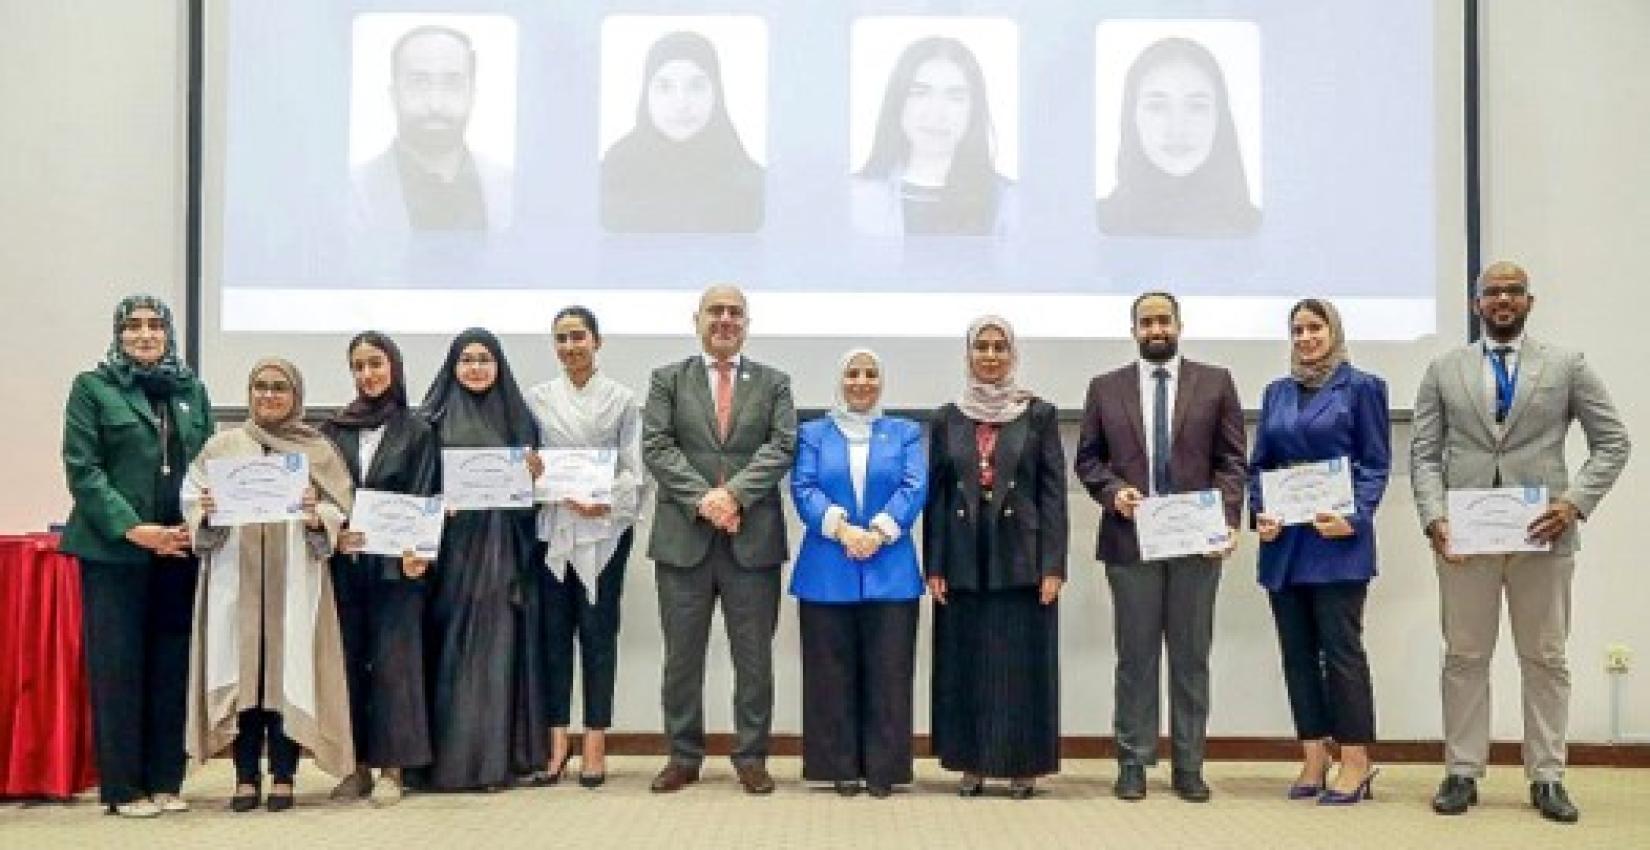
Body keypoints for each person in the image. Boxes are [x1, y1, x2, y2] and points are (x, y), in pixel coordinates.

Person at [1412, 261, 1631, 824]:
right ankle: (1461, 771)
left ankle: (1549, 776)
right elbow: (1423, 454)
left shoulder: (1565, 365)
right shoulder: (1444, 369)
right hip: (1466, 538)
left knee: (1546, 658)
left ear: (1529, 303)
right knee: (1464, 657)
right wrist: (1434, 518)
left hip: (1544, 538)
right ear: (1475, 304)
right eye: (1492, 293)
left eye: (1513, 292)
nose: (1502, 300)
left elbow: (1613, 441)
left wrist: (1574, 503)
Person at [1074, 291, 1246, 803]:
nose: (1156, 329)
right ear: (1133, 330)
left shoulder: (1215, 383)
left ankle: (1189, 764)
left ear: (1179, 325)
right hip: (1131, 543)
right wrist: (1112, 493)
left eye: (1163, 320)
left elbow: (1233, 461)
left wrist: (1228, 520)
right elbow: (1088, 461)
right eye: (1145, 322)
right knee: (1136, 657)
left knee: (1192, 657)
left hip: (1197, 543)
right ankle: (1133, 761)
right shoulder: (1105, 389)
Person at [60, 295, 214, 818]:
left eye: (155, 326)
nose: (145, 335)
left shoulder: (191, 389)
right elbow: (84, 469)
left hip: (178, 548)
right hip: (113, 553)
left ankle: (166, 779)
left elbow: (207, 462)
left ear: (169, 334)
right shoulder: (92, 388)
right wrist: (133, 528)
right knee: (119, 668)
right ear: (118, 334)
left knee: (171, 665)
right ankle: (124, 788)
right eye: (133, 326)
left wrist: (197, 519)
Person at [642, 284, 797, 795]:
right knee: (681, 659)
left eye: (735, 312)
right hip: (683, 541)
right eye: (716, 311)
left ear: (746, 323)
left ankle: (751, 757)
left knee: (753, 660)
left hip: (752, 543)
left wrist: (733, 496)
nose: (725, 320)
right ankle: (683, 756)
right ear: (697, 319)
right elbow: (657, 446)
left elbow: (781, 447)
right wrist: (704, 500)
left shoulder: (775, 382)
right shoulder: (667, 379)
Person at [182, 358, 355, 813]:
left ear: (295, 395)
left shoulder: (315, 449)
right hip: (235, 579)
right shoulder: (222, 447)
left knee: (285, 674)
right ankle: (243, 776)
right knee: (243, 677)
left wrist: (319, 512)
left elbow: (343, 506)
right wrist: (206, 509)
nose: (269, 395)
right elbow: (191, 500)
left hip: (294, 578)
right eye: (260, 386)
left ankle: (283, 774)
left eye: (279, 387)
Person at [1249, 300, 1390, 805]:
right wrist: (1259, 513)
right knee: (1298, 656)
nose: (1306, 337)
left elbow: (1375, 465)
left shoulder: (1364, 388)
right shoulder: (1275, 393)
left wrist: (1353, 518)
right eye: (1298, 329)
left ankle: (1356, 760)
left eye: (1315, 327)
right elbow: (1259, 466)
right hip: (1284, 546)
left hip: (1337, 545)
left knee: (1342, 654)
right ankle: (1313, 755)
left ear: (1334, 332)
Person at [925, 317, 1066, 799]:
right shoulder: (948, 417)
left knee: (1020, 664)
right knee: (967, 662)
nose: (989, 355)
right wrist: (935, 564)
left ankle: (1022, 765)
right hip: (964, 558)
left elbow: (1053, 496)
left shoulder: (1039, 414)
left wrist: (1053, 566)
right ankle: (973, 763)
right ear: (968, 356)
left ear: (1013, 354)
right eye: (981, 347)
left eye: (999, 347)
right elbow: (938, 497)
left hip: (1022, 559)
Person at [789, 348, 927, 799]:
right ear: (840, 380)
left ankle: (884, 768)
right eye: (853, 373)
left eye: (871, 374)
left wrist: (879, 532)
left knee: (890, 672)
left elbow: (914, 486)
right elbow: (803, 487)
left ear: (881, 381)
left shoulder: (904, 432)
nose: (862, 382)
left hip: (891, 568)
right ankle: (838, 766)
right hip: (827, 569)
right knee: (830, 673)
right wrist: (842, 529)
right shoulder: (812, 433)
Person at [418, 328, 548, 791]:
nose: (475, 367)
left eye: (485, 359)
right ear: (453, 365)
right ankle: (448, 764)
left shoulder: (519, 417)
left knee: (497, 653)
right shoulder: (432, 417)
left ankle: (493, 764)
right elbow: (418, 484)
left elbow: (534, 496)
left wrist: (535, 477)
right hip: (450, 552)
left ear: (499, 365)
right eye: (466, 359)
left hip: (503, 550)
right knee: (449, 652)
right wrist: (437, 503)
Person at [319, 332, 440, 806]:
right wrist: (334, 529)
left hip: (399, 569)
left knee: (397, 667)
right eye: (359, 366)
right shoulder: (334, 431)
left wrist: (419, 552)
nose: (368, 374)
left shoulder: (418, 428)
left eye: (376, 363)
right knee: (349, 663)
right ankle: (357, 766)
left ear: (394, 366)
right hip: (347, 565)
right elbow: (325, 495)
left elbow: (426, 494)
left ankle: (394, 768)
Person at [525, 307, 645, 788]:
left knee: (598, 636)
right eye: (561, 339)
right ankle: (557, 740)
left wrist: (607, 503)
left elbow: (635, 470)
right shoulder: (536, 399)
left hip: (604, 533)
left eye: (578, 337)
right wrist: (531, 475)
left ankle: (595, 738)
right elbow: (525, 463)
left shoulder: (622, 399)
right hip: (552, 528)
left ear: (598, 342)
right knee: (553, 636)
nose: (570, 346)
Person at [351, 24, 513, 232]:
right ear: (394, 95)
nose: (435, 104)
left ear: (472, 95)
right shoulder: (352, 194)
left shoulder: (511, 189)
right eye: (419, 82)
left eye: (452, 83)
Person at [852, 36, 1018, 237]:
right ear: (898, 102)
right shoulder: (853, 198)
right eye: (920, 93)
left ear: (973, 110)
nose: (936, 113)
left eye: (955, 97)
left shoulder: (1008, 202)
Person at [601, 31, 765, 233]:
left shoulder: (751, 184)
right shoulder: (612, 175)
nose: (681, 104)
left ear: (717, 94)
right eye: (664, 87)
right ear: (646, 96)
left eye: (696, 86)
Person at [1095, 37, 1260, 238]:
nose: (1177, 129)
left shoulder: (1257, 230)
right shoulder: (1095, 225)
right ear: (1132, 118)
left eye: (1197, 106)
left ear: (1220, 119)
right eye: (1157, 106)